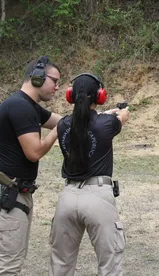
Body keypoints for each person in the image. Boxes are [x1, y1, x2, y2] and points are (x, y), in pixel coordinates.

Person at [49, 73, 129, 276]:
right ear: (100, 96)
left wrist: (106, 114)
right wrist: (120, 112)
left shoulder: (63, 125)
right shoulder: (107, 124)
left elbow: (87, 122)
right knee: (109, 265)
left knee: (61, 265)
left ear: (71, 96)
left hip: (67, 197)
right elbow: (118, 119)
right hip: (98, 195)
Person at [0, 55, 62, 275]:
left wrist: (99, 116)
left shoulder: (28, 106)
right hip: (8, 196)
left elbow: (64, 120)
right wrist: (56, 132)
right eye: (54, 81)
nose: (56, 88)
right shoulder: (21, 107)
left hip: (15, 194)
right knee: (9, 266)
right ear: (37, 78)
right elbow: (34, 152)